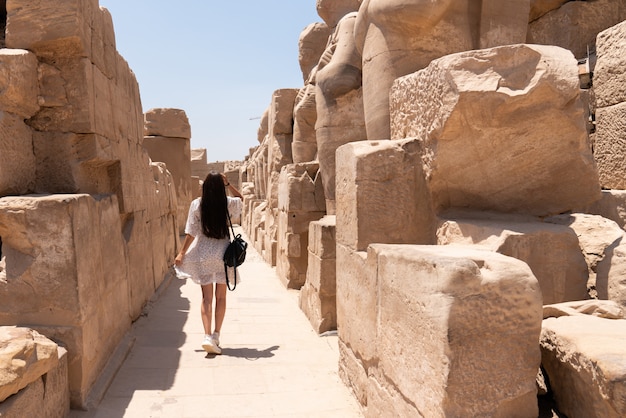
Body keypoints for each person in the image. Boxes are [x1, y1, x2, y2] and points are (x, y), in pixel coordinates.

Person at [174, 171, 243, 354]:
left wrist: (182, 253)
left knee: (206, 298)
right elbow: (241, 198)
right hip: (223, 255)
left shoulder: (197, 204)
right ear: (221, 187)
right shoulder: (227, 203)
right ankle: (216, 334)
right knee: (221, 297)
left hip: (204, 254)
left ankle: (206, 336)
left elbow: (191, 231)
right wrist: (228, 185)